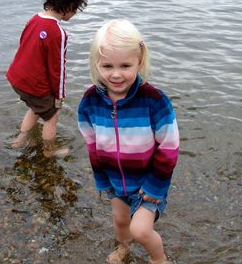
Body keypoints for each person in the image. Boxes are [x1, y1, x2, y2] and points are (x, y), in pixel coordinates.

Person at [77, 19, 179, 264]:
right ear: (96, 64)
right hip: (114, 180)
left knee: (140, 230)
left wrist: (156, 186)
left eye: (125, 65)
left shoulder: (154, 100)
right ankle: (124, 249)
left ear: (139, 61)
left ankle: (160, 260)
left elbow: (169, 147)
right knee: (121, 221)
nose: (116, 74)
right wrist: (101, 179)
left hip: (148, 183)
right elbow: (92, 145)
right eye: (107, 66)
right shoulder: (90, 101)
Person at [6, 0, 87, 157]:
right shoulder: (57, 32)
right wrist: (59, 96)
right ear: (69, 6)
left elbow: (23, 45)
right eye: (76, 9)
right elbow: (57, 68)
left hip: (17, 78)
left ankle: (19, 141)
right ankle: (49, 151)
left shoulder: (34, 19)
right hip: (35, 85)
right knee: (52, 117)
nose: (75, 13)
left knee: (36, 108)